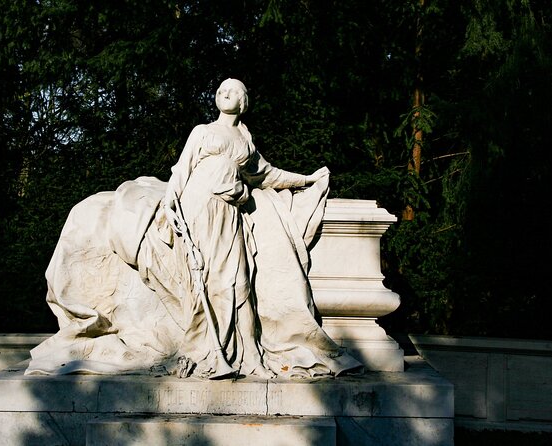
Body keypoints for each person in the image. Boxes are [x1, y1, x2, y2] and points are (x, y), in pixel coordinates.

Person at [25, 79, 362, 379]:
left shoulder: (244, 137)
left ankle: (251, 357)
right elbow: (181, 173)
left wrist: (305, 180)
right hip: (200, 208)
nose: (225, 93)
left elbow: (267, 174)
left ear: (243, 101)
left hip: (230, 211)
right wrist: (170, 206)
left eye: (233, 90)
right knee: (212, 281)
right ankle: (210, 352)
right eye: (221, 90)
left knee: (240, 283)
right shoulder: (203, 132)